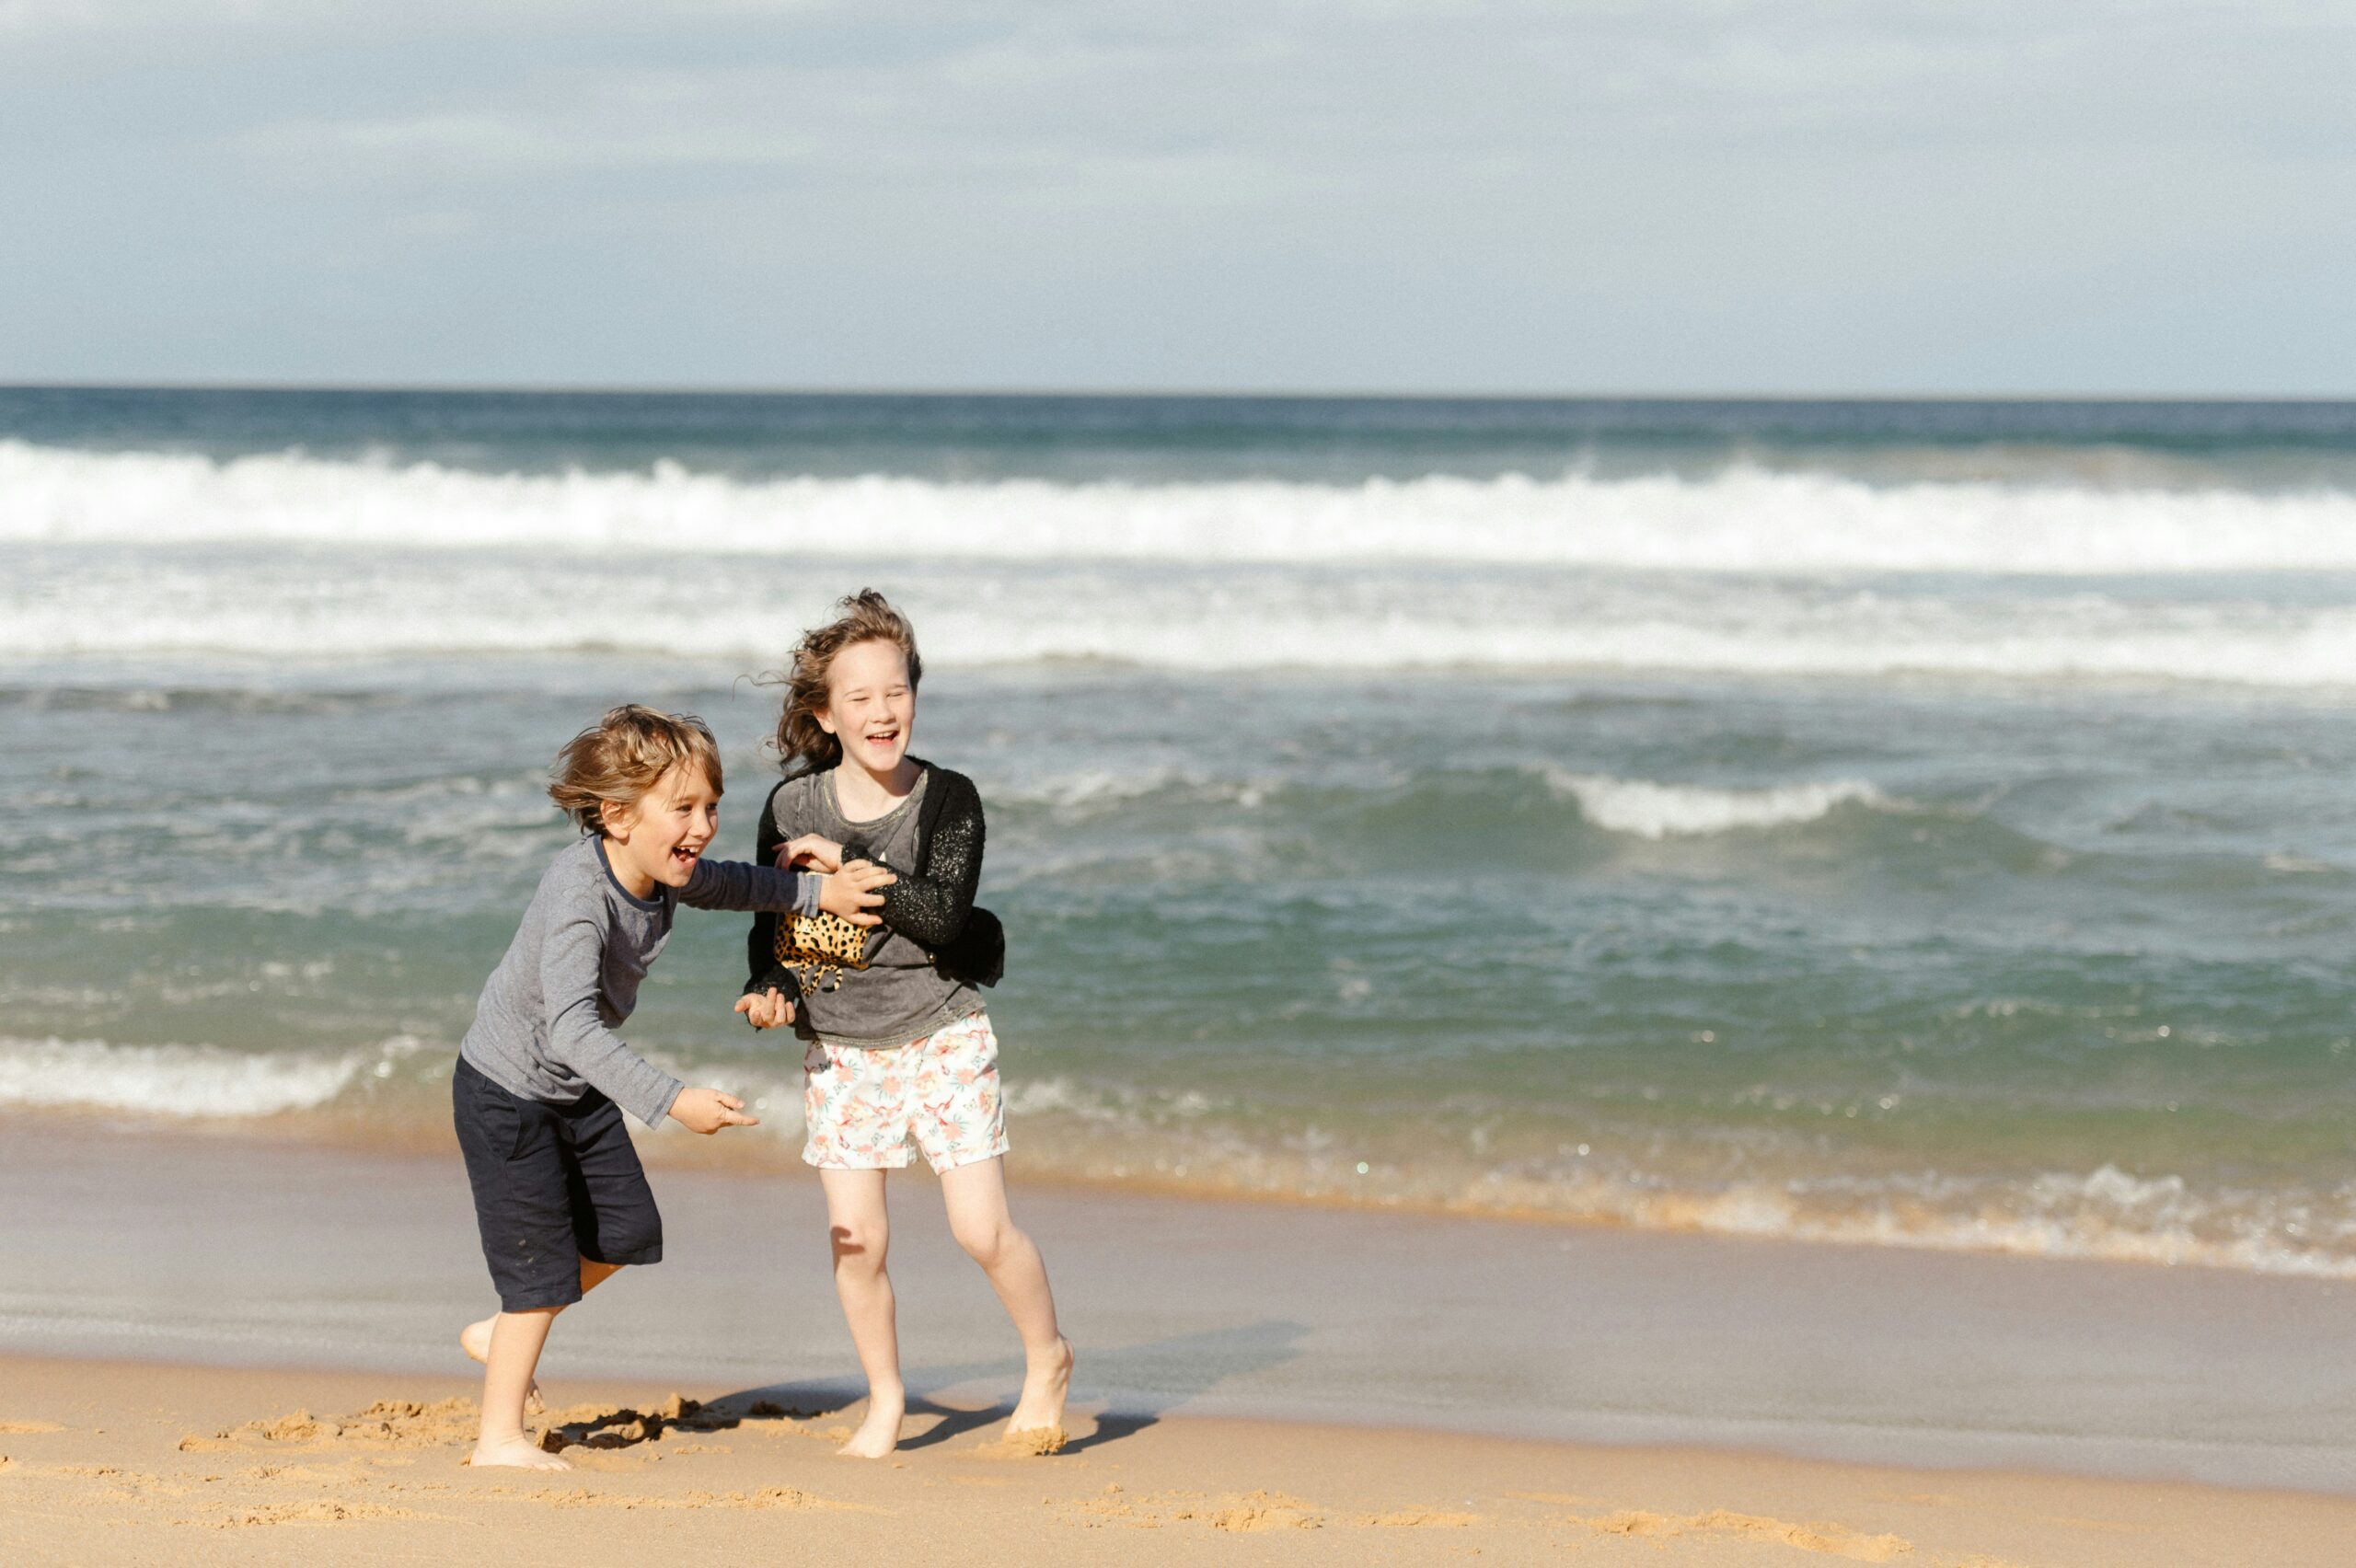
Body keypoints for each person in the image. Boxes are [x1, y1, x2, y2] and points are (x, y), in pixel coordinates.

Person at [453, 703, 894, 1470]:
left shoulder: (660, 871)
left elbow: (726, 884)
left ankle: (505, 1332)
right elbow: (570, 1029)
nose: (703, 826)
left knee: (625, 1232)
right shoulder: (579, 898)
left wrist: (821, 897)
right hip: (508, 1092)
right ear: (617, 816)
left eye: (711, 807)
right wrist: (671, 1099)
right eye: (683, 808)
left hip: (572, 1086)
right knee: (536, 1272)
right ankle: (499, 1437)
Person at [740, 590, 1072, 1458]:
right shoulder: (789, 809)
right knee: (858, 1242)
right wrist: (771, 985)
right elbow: (777, 925)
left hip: (942, 1028)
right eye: (859, 697)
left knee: (979, 1230)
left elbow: (943, 918)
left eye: (896, 691)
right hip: (842, 1049)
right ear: (826, 713)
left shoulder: (949, 798)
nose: (882, 711)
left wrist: (848, 862)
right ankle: (885, 1400)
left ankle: (1048, 1360)